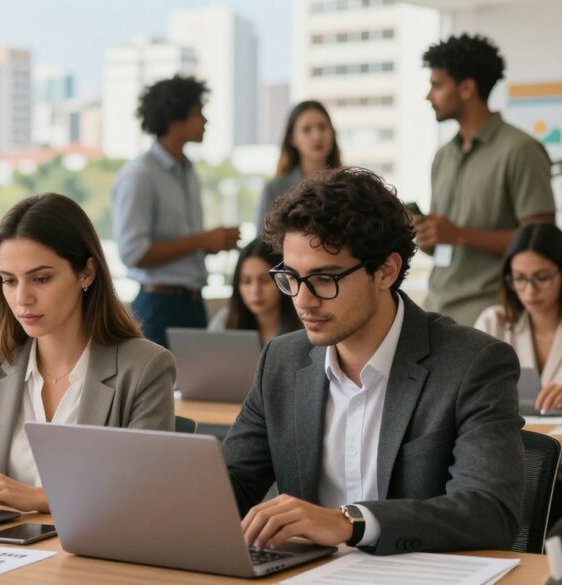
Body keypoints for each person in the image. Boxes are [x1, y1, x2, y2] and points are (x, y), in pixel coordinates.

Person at [223, 168, 523, 555]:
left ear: (385, 271)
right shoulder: (281, 361)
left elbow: (488, 512)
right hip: (308, 575)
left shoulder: (473, 364)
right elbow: (231, 483)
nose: (302, 300)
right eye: (291, 277)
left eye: (324, 279)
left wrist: (351, 523)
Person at [0, 194, 175, 513]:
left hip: (92, 543)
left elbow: (143, 489)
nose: (22, 298)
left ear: (86, 273)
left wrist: (40, 497)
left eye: (41, 279)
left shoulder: (145, 368)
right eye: (9, 281)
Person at [416, 34, 556, 327]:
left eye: (437, 85)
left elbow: (541, 240)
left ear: (467, 88)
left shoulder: (521, 150)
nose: (429, 96)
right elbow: (445, 245)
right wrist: (429, 236)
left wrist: (459, 234)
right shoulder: (443, 156)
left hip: (491, 316)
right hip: (436, 311)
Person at [473, 223, 562, 553]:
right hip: (509, 467)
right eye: (519, 278)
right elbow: (468, 393)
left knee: (551, 541)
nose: (530, 290)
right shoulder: (494, 321)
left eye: (541, 277)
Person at [112, 75, 240, 348]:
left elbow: (181, 242)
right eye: (197, 113)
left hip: (193, 303)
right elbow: (133, 253)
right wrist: (201, 241)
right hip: (159, 307)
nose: (205, 120)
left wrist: (211, 244)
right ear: (174, 120)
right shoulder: (140, 175)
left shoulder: (188, 171)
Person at [255, 101, 342, 233]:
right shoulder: (274, 189)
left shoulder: (348, 187)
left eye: (322, 127)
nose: (317, 136)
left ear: (332, 133)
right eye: (306, 129)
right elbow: (263, 241)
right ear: (292, 138)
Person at [208, 239, 300, 343]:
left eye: (265, 280)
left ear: (284, 280)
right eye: (246, 281)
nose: (255, 291)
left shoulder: (304, 324)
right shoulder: (223, 323)